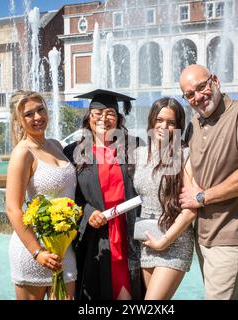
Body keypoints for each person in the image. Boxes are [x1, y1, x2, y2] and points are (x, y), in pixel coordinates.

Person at [178, 64, 238, 300]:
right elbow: (189, 167)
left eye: (202, 87)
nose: (198, 97)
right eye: (190, 94)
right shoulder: (194, 124)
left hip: (231, 229)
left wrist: (201, 197)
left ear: (215, 81)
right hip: (204, 231)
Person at [63, 89, 143, 300]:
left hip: (129, 231)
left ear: (118, 119)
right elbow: (69, 195)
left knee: (128, 292)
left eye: (110, 113)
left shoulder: (134, 147)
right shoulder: (73, 152)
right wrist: (87, 212)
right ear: (88, 117)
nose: (103, 118)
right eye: (97, 113)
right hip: (94, 237)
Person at [6, 90, 77, 300]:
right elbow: (12, 208)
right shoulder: (23, 153)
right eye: (29, 114)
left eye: (40, 109)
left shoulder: (55, 145)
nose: (37, 117)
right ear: (18, 120)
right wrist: (37, 252)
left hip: (63, 249)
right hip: (34, 252)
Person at [133, 97, 197, 300]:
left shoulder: (185, 156)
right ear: (152, 120)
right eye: (159, 120)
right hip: (147, 241)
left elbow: (191, 209)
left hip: (174, 242)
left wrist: (165, 240)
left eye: (171, 123)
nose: (163, 126)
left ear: (178, 127)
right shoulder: (139, 154)